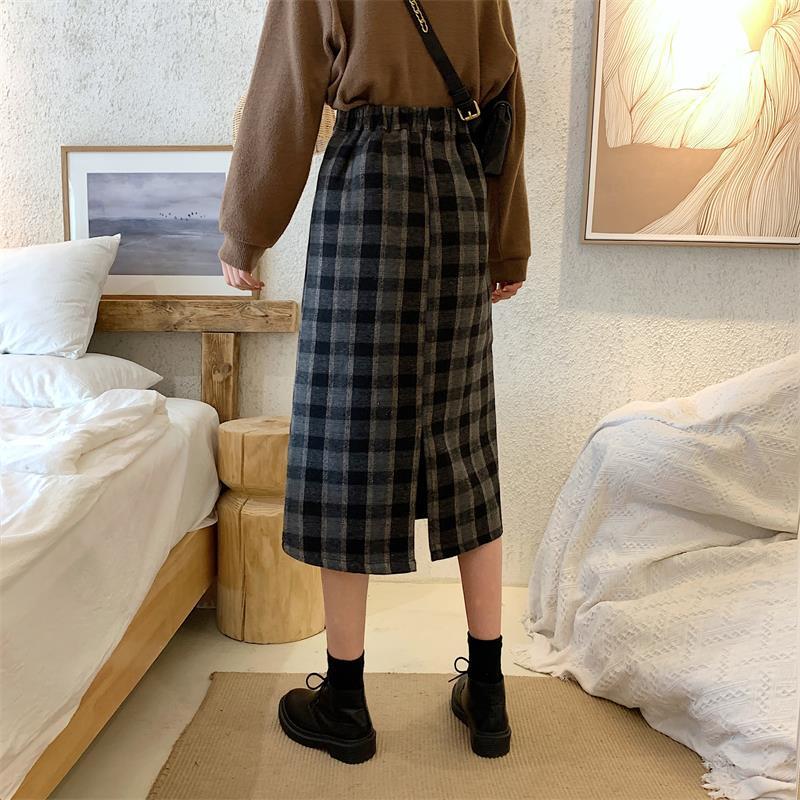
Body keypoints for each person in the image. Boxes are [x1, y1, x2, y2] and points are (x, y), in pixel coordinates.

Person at [218, 0, 530, 765]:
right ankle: (490, 694)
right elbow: (503, 99)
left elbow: (287, 91)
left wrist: (245, 231)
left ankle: (346, 702)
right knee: (463, 442)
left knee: (347, 444)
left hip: (367, 189)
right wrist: (507, 242)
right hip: (459, 193)